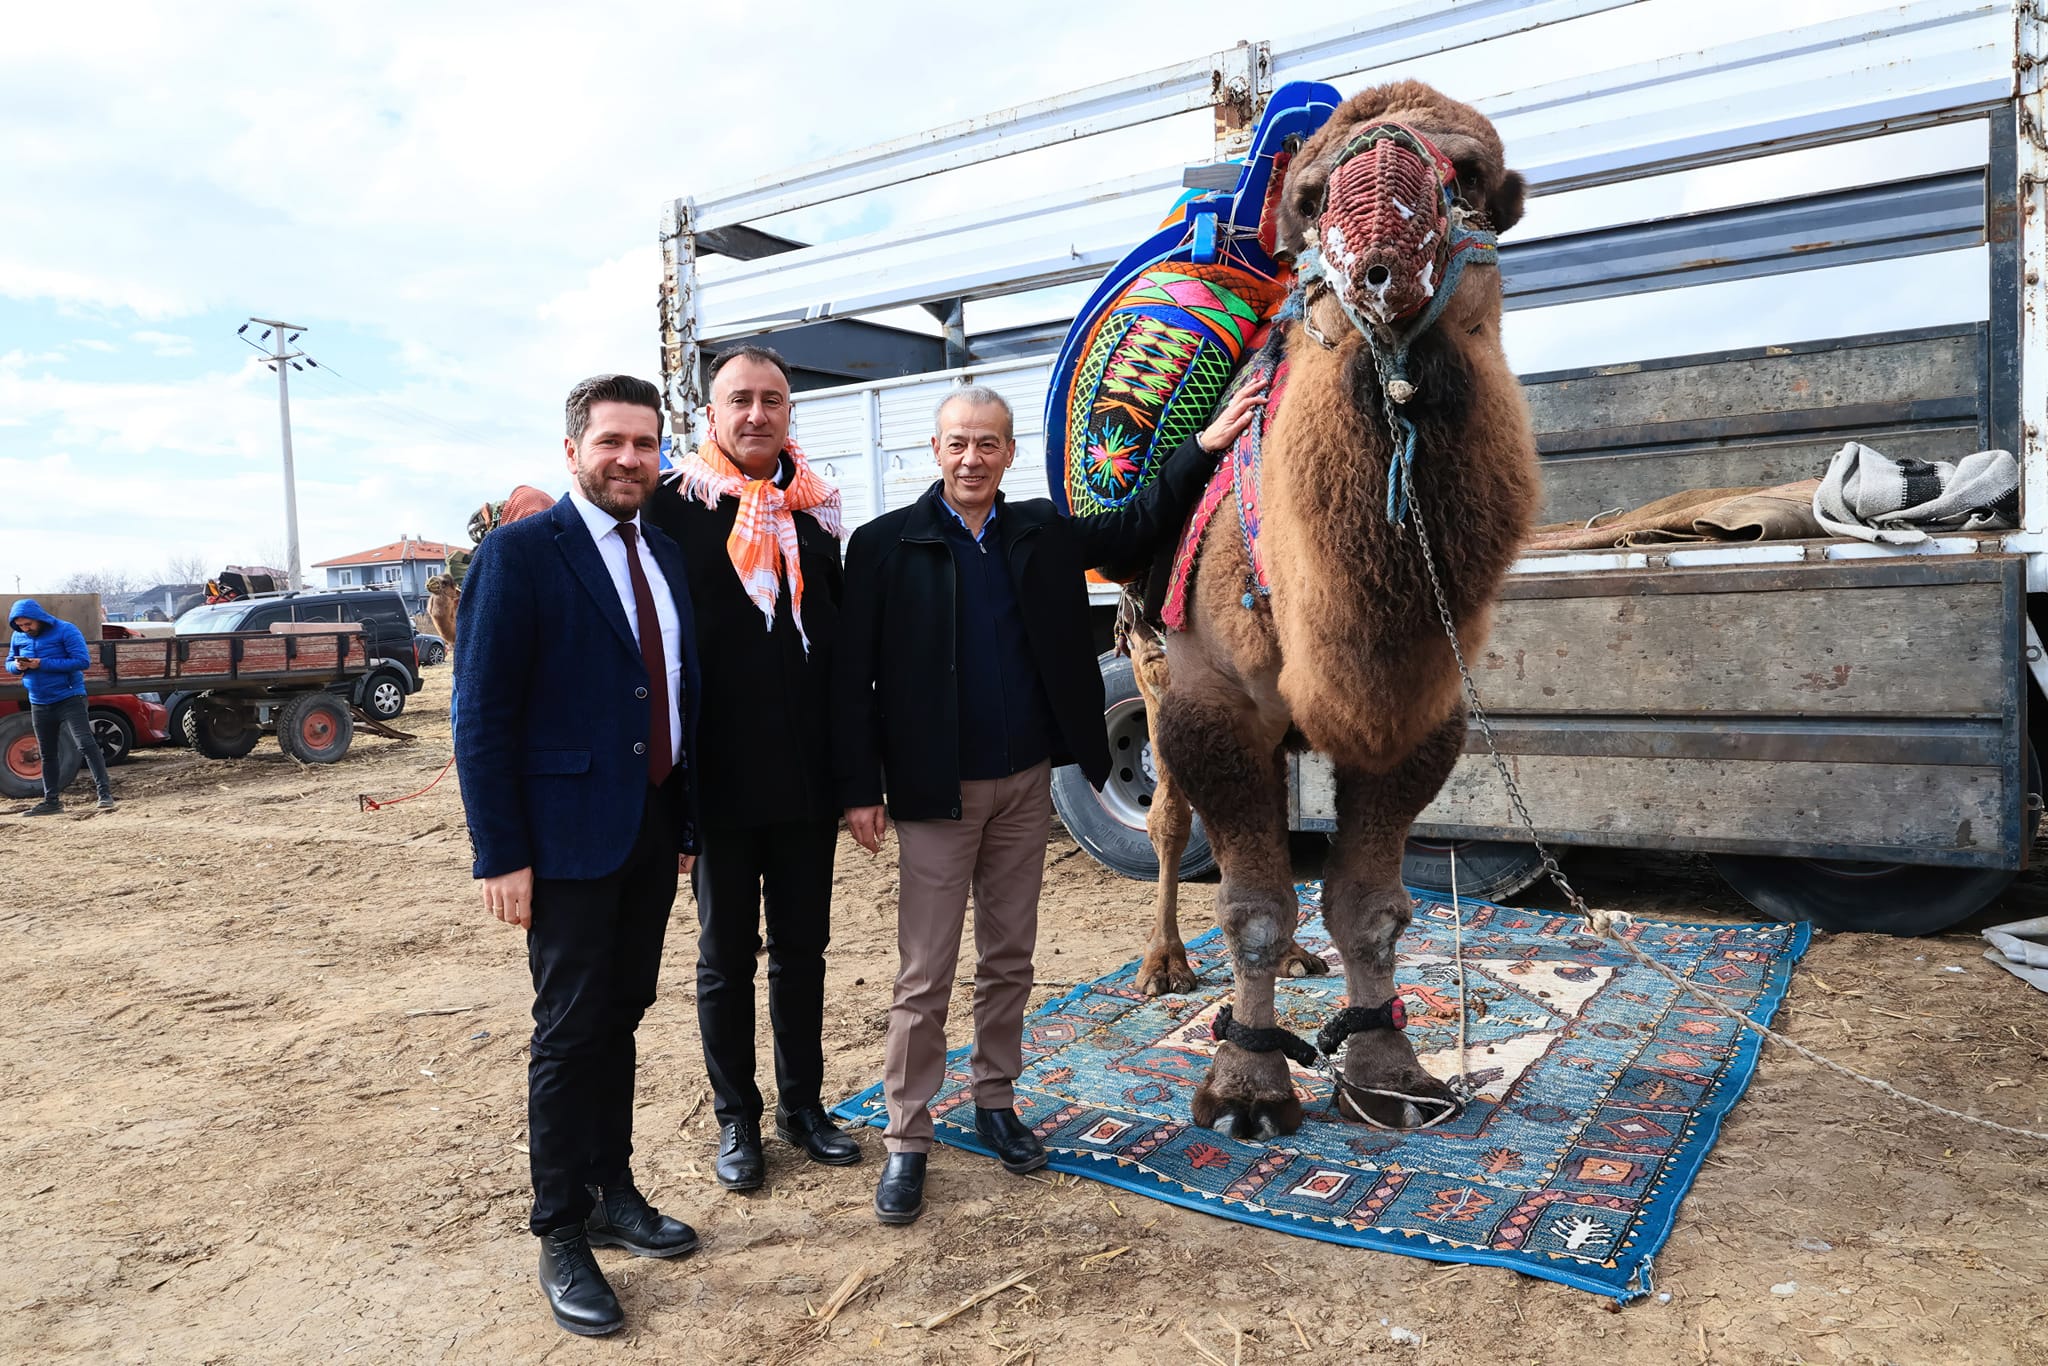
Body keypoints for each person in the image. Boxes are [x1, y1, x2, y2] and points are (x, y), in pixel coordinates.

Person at [833, 378, 1268, 1225]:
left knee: (1008, 961)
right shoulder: (885, 545)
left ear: (1007, 453)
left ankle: (995, 1104)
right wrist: (860, 789)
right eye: (957, 443)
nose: (971, 458)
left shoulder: (1036, 530)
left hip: (1026, 784)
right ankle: (907, 1140)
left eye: (987, 444)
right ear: (935, 450)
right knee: (923, 976)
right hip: (933, 794)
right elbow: (854, 679)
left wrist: (1206, 445)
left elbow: (1137, 525)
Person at [454, 374, 703, 1338]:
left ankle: (611, 1187)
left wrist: (680, 829)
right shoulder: (522, 555)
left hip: (645, 832)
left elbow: (672, 702)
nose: (630, 459)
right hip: (559, 846)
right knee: (568, 1031)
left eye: (645, 444)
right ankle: (561, 1228)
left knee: (623, 1013)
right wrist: (500, 853)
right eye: (612, 443)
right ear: (574, 452)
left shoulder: (667, 556)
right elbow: (482, 715)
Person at [642, 345, 862, 1191]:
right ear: (710, 413)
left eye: (773, 399)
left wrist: (854, 783)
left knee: (802, 948)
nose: (757, 414)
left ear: (789, 412)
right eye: (740, 399)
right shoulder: (670, 508)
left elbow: (839, 656)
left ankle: (803, 1107)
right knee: (724, 956)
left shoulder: (816, 512)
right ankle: (738, 1120)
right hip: (717, 784)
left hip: (804, 782)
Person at [7, 599, 114, 815]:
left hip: (69, 697)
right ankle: (52, 801)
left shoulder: (65, 630)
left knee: (85, 744)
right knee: (47, 752)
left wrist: (41, 663)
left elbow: (82, 661)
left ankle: (105, 794)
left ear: (39, 619)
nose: (25, 629)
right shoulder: (18, 635)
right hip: (38, 700)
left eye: (28, 624)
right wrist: (16, 667)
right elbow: (9, 662)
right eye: (20, 626)